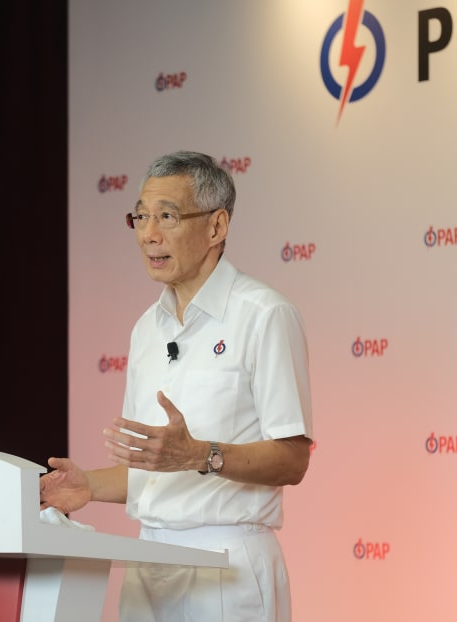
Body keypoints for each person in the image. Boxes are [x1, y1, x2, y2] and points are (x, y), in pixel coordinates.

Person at [39, 150, 313, 622]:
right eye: (141, 217)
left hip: (229, 566)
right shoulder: (147, 329)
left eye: (167, 216)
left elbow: (292, 458)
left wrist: (199, 454)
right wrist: (88, 487)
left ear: (216, 227)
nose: (149, 234)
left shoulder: (264, 314)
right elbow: (155, 468)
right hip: (149, 564)